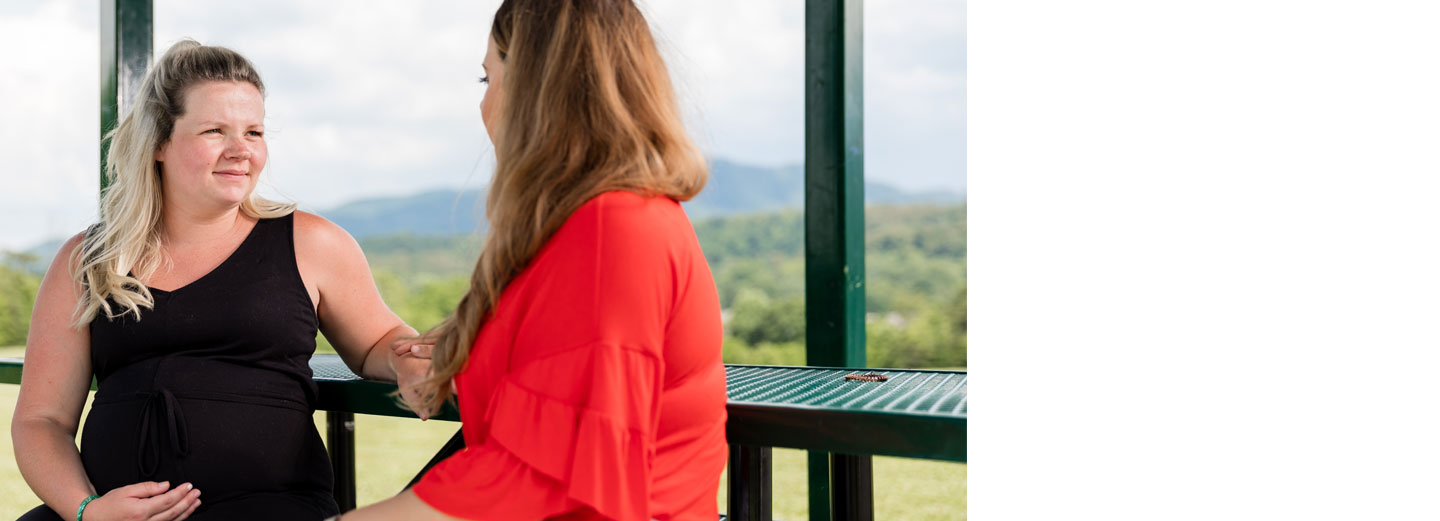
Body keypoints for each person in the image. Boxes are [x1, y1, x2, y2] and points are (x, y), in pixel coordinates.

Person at [335, 1, 728, 520]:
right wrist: (448, 353)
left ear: (533, 86)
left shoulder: (615, 229)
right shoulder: (587, 224)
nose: (484, 106)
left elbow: (539, 478)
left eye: (487, 79)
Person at [11, 40, 429, 521]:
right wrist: (86, 511)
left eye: (253, 131)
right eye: (214, 130)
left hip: (268, 508)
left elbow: (378, 339)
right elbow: (42, 421)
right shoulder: (89, 259)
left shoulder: (312, 243)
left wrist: (412, 360)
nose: (240, 150)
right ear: (159, 143)